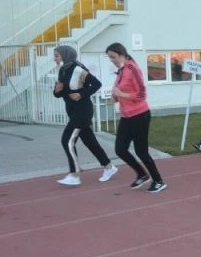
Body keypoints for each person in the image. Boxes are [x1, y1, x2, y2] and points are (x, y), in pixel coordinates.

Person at [53, 45, 118, 186]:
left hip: (83, 111)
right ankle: (109, 167)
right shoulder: (62, 70)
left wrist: (81, 94)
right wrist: (56, 90)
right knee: (90, 141)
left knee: (67, 140)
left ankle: (74, 174)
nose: (54, 59)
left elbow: (96, 84)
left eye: (57, 56)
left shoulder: (78, 69)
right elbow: (61, 93)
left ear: (65, 56)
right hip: (72, 111)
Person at [107, 42, 167, 193]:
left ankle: (158, 181)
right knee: (120, 150)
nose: (111, 60)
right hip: (126, 116)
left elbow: (141, 95)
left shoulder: (132, 68)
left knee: (141, 151)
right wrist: (115, 97)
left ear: (121, 54)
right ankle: (141, 174)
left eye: (113, 57)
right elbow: (121, 90)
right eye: (110, 58)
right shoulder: (121, 70)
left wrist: (121, 95)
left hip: (140, 115)